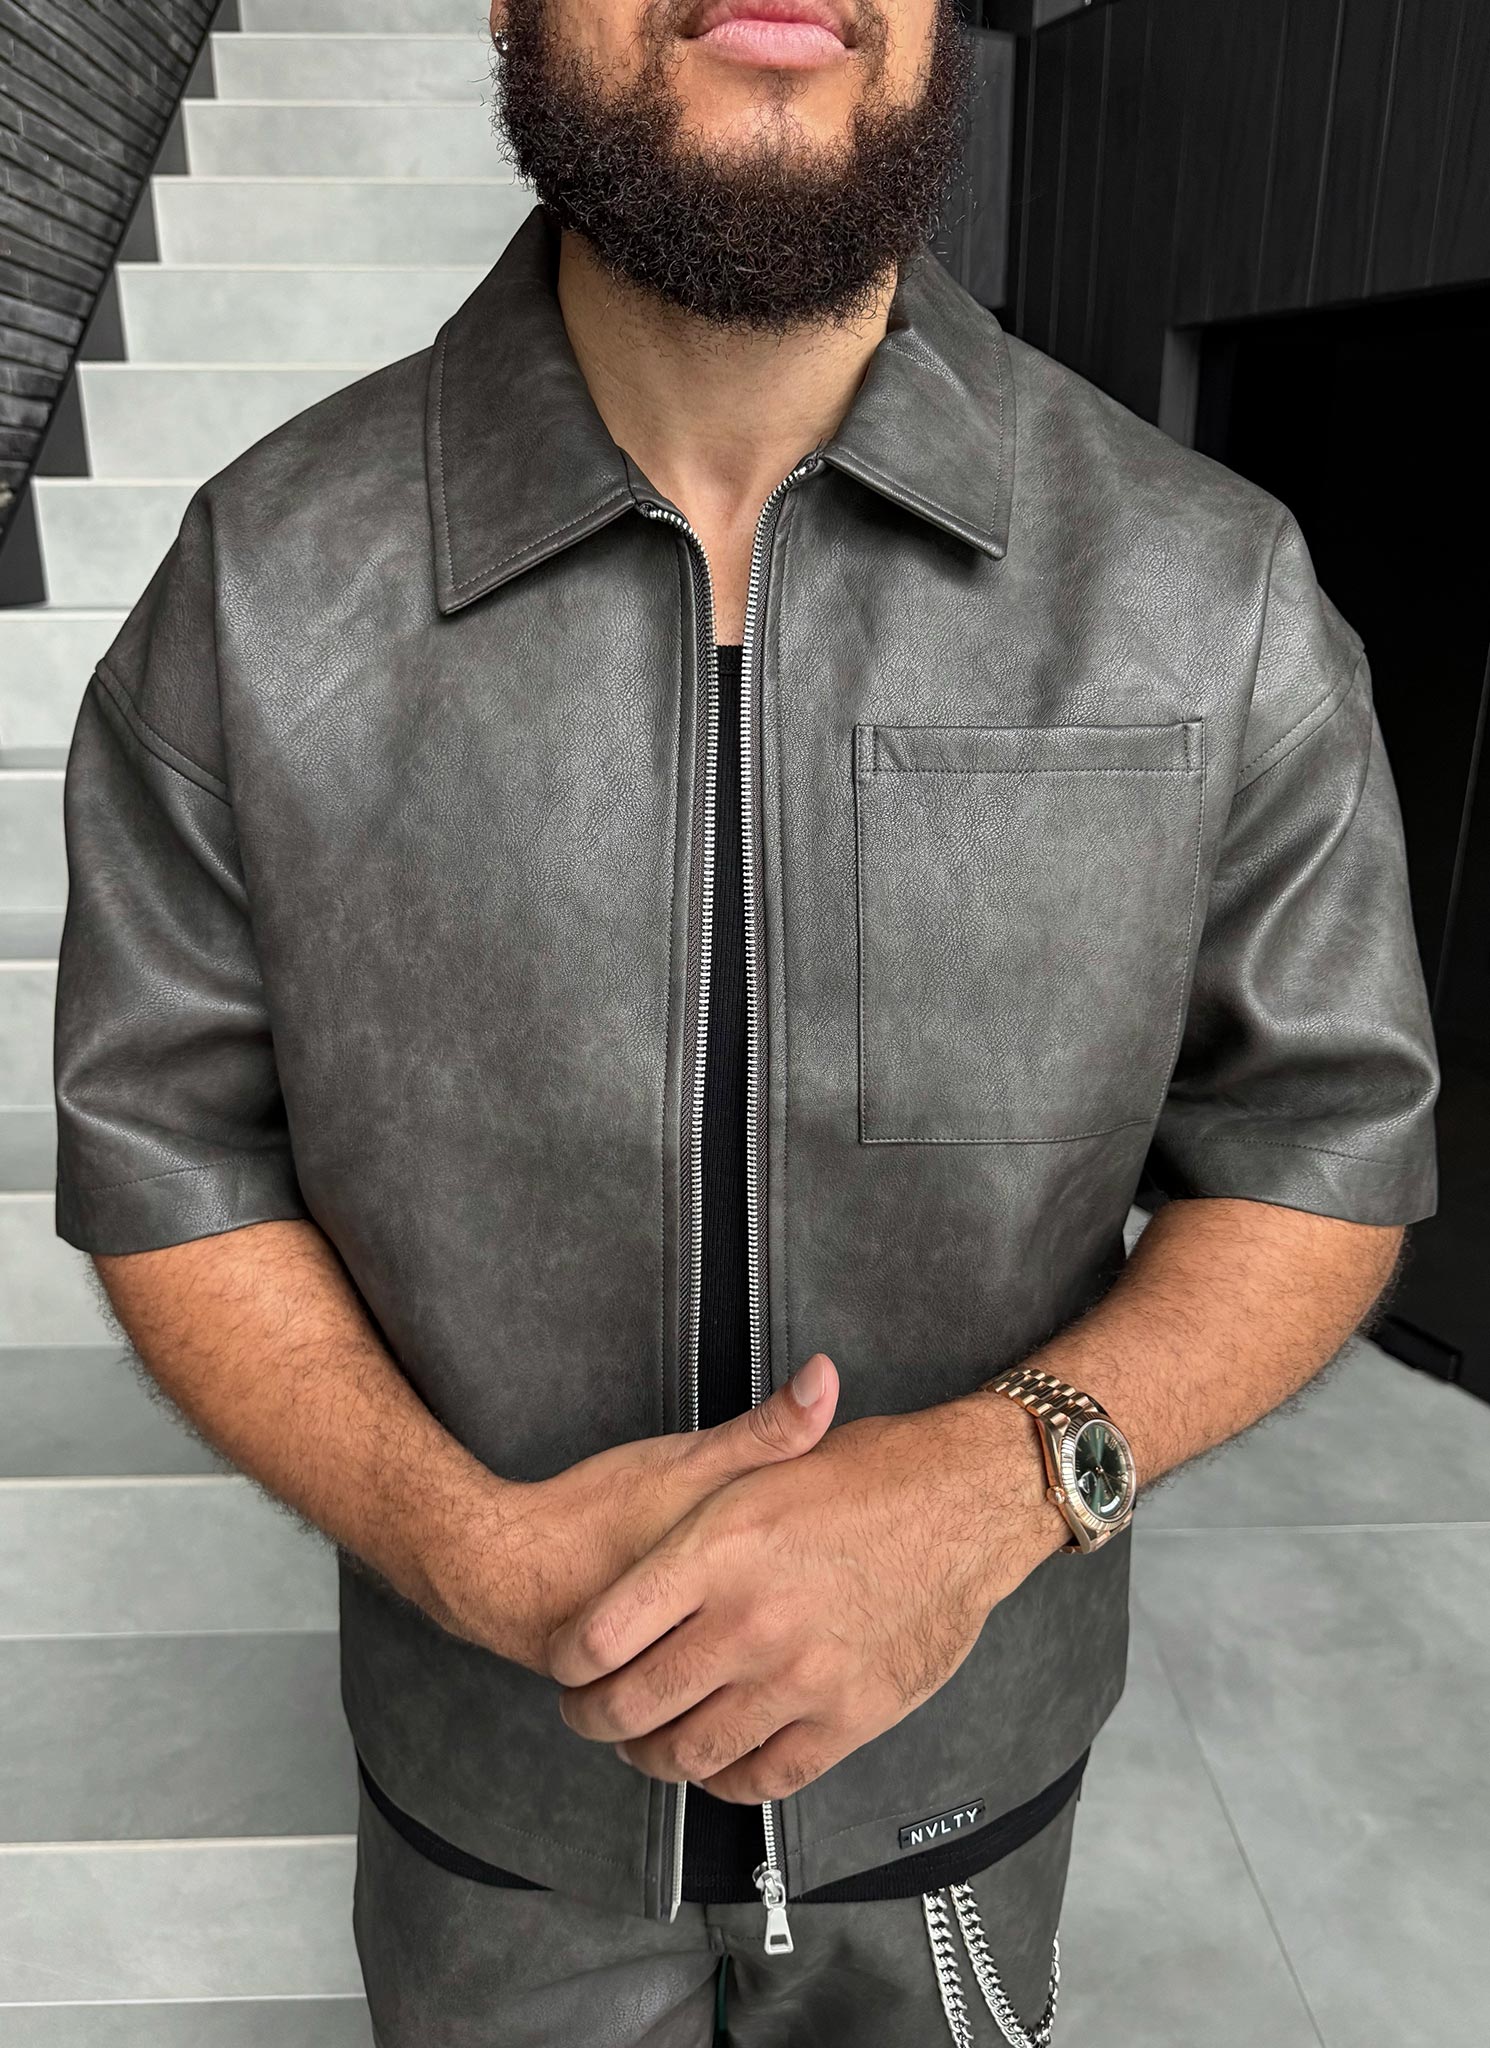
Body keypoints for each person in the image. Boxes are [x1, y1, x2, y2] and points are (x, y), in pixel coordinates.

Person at [51, 2, 1439, 2042]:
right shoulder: (262, 591)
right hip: (487, 1814)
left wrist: (998, 1484)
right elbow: (170, 1157)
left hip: (957, 1798)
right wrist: (471, 1550)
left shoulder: (1204, 590)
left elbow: (1323, 1152)